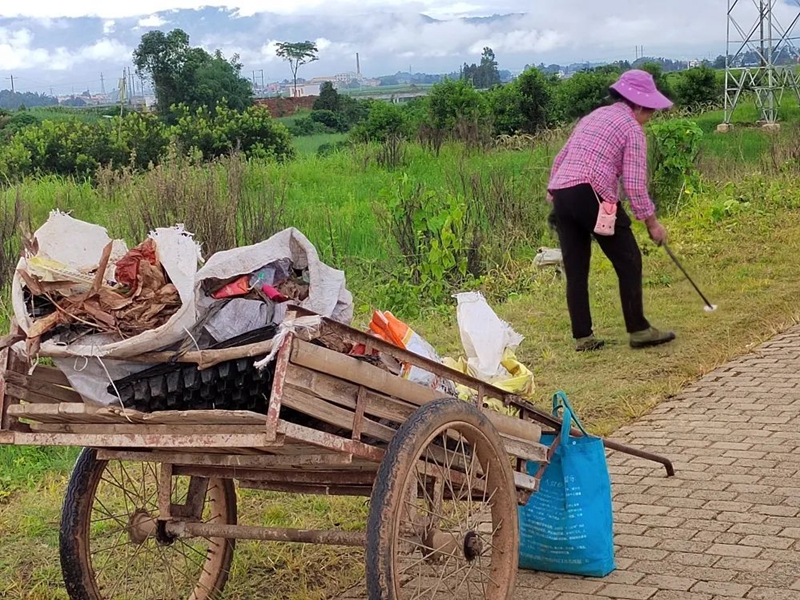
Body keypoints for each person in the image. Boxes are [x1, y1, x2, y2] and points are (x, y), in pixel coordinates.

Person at [547, 69, 676, 352]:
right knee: (629, 259)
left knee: (576, 268)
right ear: (639, 105)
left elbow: (561, 157)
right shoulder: (632, 129)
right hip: (591, 192)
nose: (651, 115)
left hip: (561, 192)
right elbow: (633, 184)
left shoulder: (593, 116)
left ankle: (583, 337)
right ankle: (639, 330)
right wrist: (652, 224)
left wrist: (554, 195)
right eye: (651, 110)